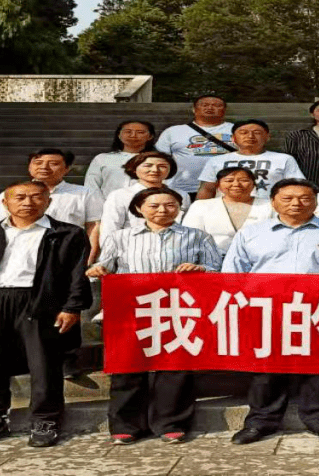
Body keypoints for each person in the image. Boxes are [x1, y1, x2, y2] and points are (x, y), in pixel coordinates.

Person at [0, 179, 91, 449]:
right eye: (20, 197)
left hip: (41, 301)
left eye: (37, 197)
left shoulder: (66, 233)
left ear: (48, 201)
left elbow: (77, 274)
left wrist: (72, 307)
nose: (28, 202)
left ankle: (45, 420)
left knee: (44, 362)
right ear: (5, 203)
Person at [222, 179, 319, 445]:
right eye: (287, 198)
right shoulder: (251, 233)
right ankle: (261, 422)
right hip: (267, 310)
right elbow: (233, 275)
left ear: (315, 201)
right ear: (274, 201)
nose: (296, 203)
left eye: (304, 198)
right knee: (266, 369)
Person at [87, 187, 221, 445]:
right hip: (131, 309)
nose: (162, 210)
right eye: (154, 205)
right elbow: (104, 266)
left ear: (179, 207)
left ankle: (171, 423)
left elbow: (217, 270)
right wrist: (98, 269)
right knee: (127, 367)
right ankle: (126, 425)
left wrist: (200, 268)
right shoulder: (120, 237)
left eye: (170, 205)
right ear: (139, 208)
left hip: (178, 309)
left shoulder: (197, 237)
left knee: (174, 368)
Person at [0, 149, 102, 259]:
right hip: (19, 255)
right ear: (30, 167)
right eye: (38, 163)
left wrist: (88, 260)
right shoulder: (10, 193)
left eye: (53, 163)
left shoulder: (85, 193)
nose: (44, 167)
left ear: (67, 168)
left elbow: (94, 227)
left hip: (66, 255)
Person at [195, 120, 304, 201]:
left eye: (257, 132)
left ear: (267, 137)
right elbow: (207, 189)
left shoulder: (284, 159)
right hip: (226, 209)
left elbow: (297, 187)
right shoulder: (216, 161)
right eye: (243, 132)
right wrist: (199, 209)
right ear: (233, 138)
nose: (250, 136)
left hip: (270, 209)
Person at [155, 95, 235, 200]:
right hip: (181, 189)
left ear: (224, 110)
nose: (210, 108)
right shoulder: (173, 131)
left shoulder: (237, 130)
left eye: (216, 105)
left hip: (226, 189)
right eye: (204, 105)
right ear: (194, 109)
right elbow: (161, 160)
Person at [182, 168, 273, 254]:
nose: (236, 184)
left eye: (244, 180)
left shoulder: (271, 205)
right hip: (212, 261)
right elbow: (190, 237)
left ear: (254, 184)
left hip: (260, 260)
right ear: (218, 186)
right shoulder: (200, 206)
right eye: (229, 180)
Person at [100, 151, 190, 233]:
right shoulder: (120, 195)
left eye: (162, 166)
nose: (155, 170)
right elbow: (110, 227)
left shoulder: (182, 195)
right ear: (134, 169)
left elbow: (186, 225)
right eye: (148, 165)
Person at [84, 120, 157, 202]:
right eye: (128, 131)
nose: (133, 135)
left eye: (140, 132)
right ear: (119, 135)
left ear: (150, 136)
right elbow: (92, 186)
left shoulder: (158, 160)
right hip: (108, 206)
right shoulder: (102, 158)